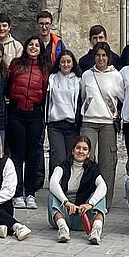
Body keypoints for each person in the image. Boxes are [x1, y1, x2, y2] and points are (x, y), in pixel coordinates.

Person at [77, 44, 124, 206]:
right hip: (89, 121)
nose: (101, 58)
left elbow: (122, 97)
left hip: (107, 123)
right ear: (94, 57)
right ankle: (85, 198)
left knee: (107, 164)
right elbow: (83, 96)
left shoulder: (116, 76)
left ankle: (104, 202)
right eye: (98, 55)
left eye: (104, 55)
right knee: (85, 160)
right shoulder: (86, 76)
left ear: (108, 57)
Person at [6, 35, 49, 208]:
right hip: (16, 112)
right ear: (25, 47)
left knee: (32, 155)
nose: (33, 48)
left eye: (36, 46)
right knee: (16, 154)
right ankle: (17, 192)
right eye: (30, 44)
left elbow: (46, 91)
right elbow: (8, 86)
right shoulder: (16, 64)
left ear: (40, 49)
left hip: (34, 113)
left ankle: (30, 193)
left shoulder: (45, 68)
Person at [46, 133, 107, 244]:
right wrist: (66, 202)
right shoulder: (62, 166)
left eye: (84, 149)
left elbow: (103, 186)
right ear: (73, 151)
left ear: (88, 153)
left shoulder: (93, 168)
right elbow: (53, 183)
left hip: (82, 216)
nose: (80, 151)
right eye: (78, 148)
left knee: (100, 197)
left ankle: (96, 231)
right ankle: (63, 230)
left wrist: (90, 204)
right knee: (52, 194)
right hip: (64, 214)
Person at [44, 48, 83, 190]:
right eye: (63, 62)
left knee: (70, 157)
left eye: (68, 62)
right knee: (57, 157)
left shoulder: (78, 80)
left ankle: (67, 187)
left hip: (71, 124)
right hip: (55, 124)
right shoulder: (52, 78)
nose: (66, 64)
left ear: (73, 63)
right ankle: (55, 186)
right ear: (58, 64)